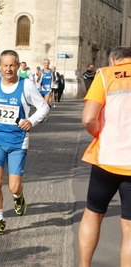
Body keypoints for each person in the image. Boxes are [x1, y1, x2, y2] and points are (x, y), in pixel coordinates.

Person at [0, 50, 49, 235]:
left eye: (12, 65)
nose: (8, 69)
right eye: (5, 65)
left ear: (18, 66)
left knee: (13, 186)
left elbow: (43, 106)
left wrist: (31, 120)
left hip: (18, 141)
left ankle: (18, 196)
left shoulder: (27, 86)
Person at [78, 46, 131, 266]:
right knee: (129, 228)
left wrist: (100, 135)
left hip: (106, 159)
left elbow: (89, 119)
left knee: (93, 213)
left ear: (113, 60)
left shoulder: (105, 74)